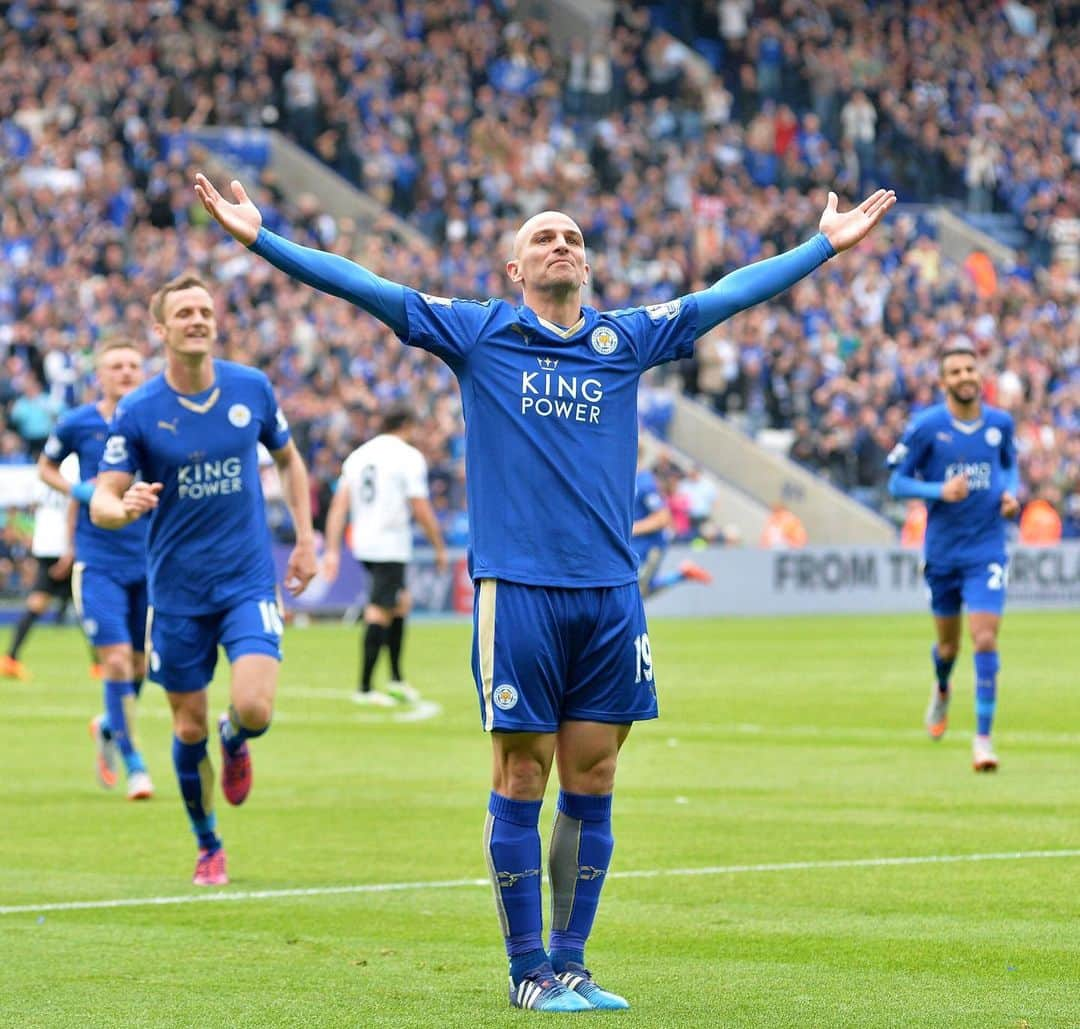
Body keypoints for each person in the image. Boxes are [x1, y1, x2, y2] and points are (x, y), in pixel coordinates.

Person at [195, 170, 894, 1010]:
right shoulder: (478, 333)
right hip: (518, 590)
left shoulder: (626, 339)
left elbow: (726, 295)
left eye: (572, 237)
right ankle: (528, 970)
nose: (561, 243)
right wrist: (260, 239)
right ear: (515, 271)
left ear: (587, 267)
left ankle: (572, 962)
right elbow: (366, 287)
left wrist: (821, 245)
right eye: (542, 237)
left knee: (592, 775)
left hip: (609, 593)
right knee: (522, 773)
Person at [90, 273, 317, 886]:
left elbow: (290, 460)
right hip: (177, 595)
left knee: (254, 707)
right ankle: (207, 841)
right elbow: (101, 502)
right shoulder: (139, 411)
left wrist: (306, 536)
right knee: (186, 729)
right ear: (161, 330)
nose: (198, 319)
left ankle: (235, 737)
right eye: (184, 312)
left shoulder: (251, 388)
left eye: (205, 310)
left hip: (245, 581)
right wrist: (125, 505)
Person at [887, 341, 1019, 772]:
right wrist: (937, 491)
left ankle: (983, 739)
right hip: (943, 553)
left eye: (970, 369)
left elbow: (1009, 465)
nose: (965, 377)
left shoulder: (1000, 423)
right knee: (948, 646)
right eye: (956, 372)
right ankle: (942, 688)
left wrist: (1010, 494)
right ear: (943, 382)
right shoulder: (926, 428)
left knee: (985, 637)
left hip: (987, 549)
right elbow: (897, 484)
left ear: (979, 376)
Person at [40, 339, 154, 800]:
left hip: (149, 558)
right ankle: (136, 766)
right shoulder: (77, 423)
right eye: (116, 366)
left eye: (132, 364)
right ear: (99, 376)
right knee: (115, 662)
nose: (125, 372)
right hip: (99, 560)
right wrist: (85, 495)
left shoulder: (156, 417)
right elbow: (46, 468)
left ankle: (108, 725)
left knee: (142, 666)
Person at [322, 402, 448, 706]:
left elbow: (340, 505)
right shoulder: (408, 457)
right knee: (379, 609)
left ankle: (396, 679)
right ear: (406, 425)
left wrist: (332, 549)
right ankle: (364, 688)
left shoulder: (359, 455)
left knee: (400, 603)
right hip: (390, 542)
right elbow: (420, 506)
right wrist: (438, 545)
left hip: (364, 539)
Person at [1, 453, 79, 681]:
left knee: (43, 602)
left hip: (45, 545)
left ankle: (11, 657)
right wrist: (71, 548)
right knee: (84, 604)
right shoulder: (73, 463)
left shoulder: (45, 465)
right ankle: (10, 657)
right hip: (61, 546)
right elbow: (73, 505)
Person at [632, 447, 712, 599]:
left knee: (636, 593)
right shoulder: (630, 481)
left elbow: (663, 518)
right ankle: (683, 574)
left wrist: (631, 529)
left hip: (649, 547)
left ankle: (683, 574)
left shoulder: (645, 483)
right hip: (635, 546)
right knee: (641, 591)